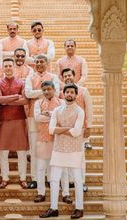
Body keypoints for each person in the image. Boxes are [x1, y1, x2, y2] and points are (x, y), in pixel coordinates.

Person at [40, 83, 84, 219]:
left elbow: (77, 132)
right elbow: (51, 130)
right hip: (59, 149)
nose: (69, 94)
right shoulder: (57, 110)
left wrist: (61, 129)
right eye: (67, 92)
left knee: (77, 180)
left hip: (74, 149)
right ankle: (53, 208)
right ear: (63, 94)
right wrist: (67, 128)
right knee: (54, 179)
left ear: (76, 95)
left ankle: (79, 208)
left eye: (72, 92)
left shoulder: (80, 111)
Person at [25, 55, 60, 189]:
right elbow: (28, 93)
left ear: (47, 63)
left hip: (54, 117)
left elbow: (56, 94)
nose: (39, 64)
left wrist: (38, 92)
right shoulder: (30, 77)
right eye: (37, 62)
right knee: (35, 147)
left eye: (42, 62)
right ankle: (35, 177)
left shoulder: (53, 76)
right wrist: (46, 91)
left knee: (52, 148)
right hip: (34, 115)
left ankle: (50, 178)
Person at [0, 58, 29, 189]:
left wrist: (6, 100)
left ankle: (23, 177)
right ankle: (4, 178)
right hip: (4, 119)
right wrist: (15, 96)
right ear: (2, 68)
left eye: (10, 66)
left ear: (14, 67)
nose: (8, 68)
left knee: (21, 151)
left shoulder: (21, 83)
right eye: (6, 66)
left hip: (19, 119)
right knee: (3, 151)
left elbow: (25, 100)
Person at [60, 68, 93, 194]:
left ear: (75, 76)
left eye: (69, 75)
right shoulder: (61, 92)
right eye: (65, 76)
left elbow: (89, 110)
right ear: (62, 78)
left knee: (80, 156)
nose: (68, 77)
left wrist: (88, 127)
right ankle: (69, 181)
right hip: (66, 130)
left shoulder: (83, 91)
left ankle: (82, 181)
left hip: (81, 129)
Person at [33, 81, 64, 203]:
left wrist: (48, 114)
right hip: (42, 138)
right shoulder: (38, 103)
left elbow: (61, 118)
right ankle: (41, 193)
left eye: (48, 89)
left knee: (57, 168)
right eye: (44, 90)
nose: (46, 92)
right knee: (40, 168)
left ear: (54, 89)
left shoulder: (61, 102)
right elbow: (37, 118)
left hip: (57, 140)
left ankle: (59, 193)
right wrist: (54, 116)